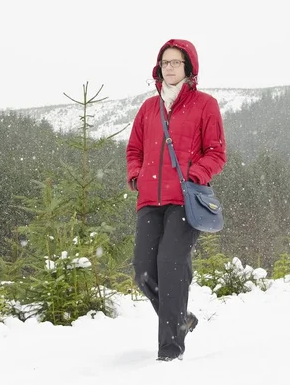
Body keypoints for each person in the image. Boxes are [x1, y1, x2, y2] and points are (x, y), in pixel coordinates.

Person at [126, 39, 226, 361]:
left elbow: (217, 153)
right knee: (144, 270)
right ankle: (180, 318)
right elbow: (134, 151)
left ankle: (170, 351)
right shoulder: (147, 109)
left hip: (184, 200)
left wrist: (194, 174)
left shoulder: (205, 105)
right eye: (165, 62)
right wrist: (136, 176)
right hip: (149, 201)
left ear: (188, 67)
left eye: (175, 62)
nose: (169, 68)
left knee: (170, 265)